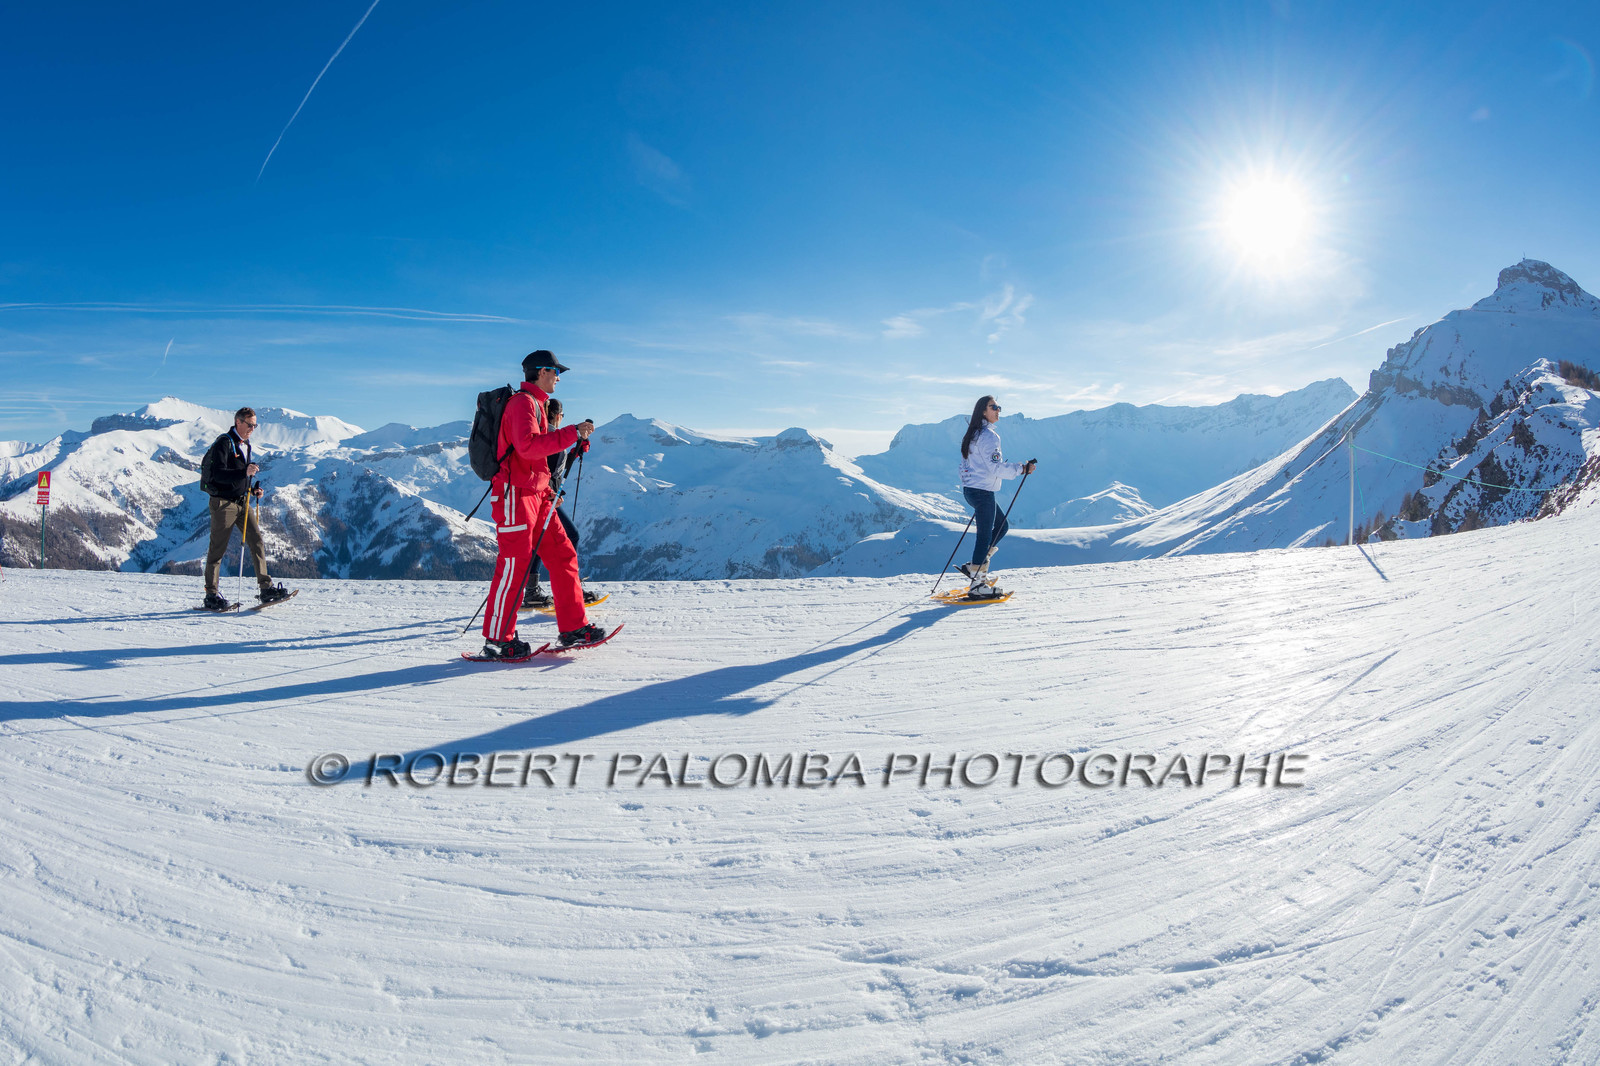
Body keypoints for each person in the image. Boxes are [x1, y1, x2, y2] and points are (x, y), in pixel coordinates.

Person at [480, 350, 602, 659]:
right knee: (513, 566)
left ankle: (573, 628)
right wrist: (570, 433)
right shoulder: (522, 404)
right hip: (515, 497)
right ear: (541, 371)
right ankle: (498, 640)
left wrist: (548, 484)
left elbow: (536, 456)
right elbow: (529, 448)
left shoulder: (537, 404)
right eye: (555, 371)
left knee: (563, 554)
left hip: (536, 495)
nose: (559, 377)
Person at [199, 407, 292, 609]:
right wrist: (244, 471)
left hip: (243, 501)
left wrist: (253, 488)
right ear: (238, 422)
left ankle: (266, 588)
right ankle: (211, 595)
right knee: (217, 550)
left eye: (254, 425)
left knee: (256, 541)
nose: (252, 429)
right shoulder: (224, 443)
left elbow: (240, 477)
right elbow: (218, 474)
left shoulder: (245, 445)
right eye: (250, 425)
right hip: (223, 503)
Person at [521, 396, 601, 611]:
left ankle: (532, 592)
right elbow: (549, 470)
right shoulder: (552, 437)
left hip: (543, 497)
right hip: (545, 499)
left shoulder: (545, 436)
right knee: (571, 535)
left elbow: (551, 468)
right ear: (557, 416)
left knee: (539, 541)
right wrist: (552, 493)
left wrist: (574, 452)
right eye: (563, 416)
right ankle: (569, 588)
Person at [957, 395, 1036, 597]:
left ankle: (975, 567)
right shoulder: (990, 437)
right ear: (983, 411)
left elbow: (967, 465)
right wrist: (1022, 468)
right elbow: (996, 468)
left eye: (999, 407)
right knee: (984, 537)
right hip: (983, 491)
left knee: (1002, 526)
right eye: (994, 407)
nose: (998, 410)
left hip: (972, 490)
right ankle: (977, 584)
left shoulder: (973, 434)